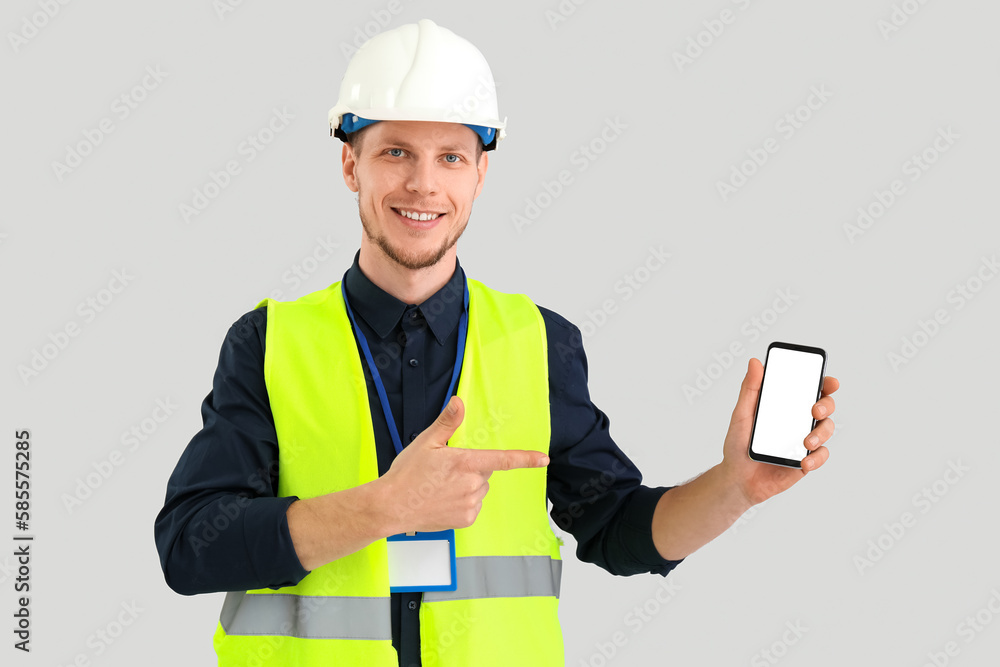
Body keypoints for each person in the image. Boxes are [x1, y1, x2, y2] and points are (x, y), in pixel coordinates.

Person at [154, 19, 838, 667]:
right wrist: (385, 508)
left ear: (479, 174)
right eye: (396, 151)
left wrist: (734, 488)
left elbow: (617, 529)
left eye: (450, 156)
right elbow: (190, 545)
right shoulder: (270, 342)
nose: (424, 182)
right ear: (349, 164)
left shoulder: (540, 343)